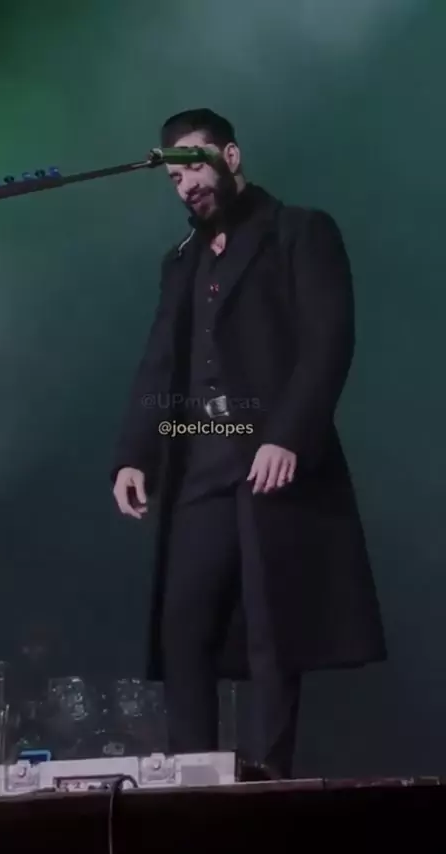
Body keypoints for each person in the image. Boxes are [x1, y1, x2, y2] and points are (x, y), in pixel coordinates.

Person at [111, 108, 386, 778]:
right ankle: (192, 780)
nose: (185, 185)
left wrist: (288, 435)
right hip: (199, 456)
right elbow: (158, 362)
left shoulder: (299, 231)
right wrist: (134, 454)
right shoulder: (179, 262)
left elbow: (329, 340)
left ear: (229, 157)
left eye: (194, 166)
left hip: (268, 454)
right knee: (184, 625)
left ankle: (269, 781)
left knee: (271, 627)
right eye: (174, 177)